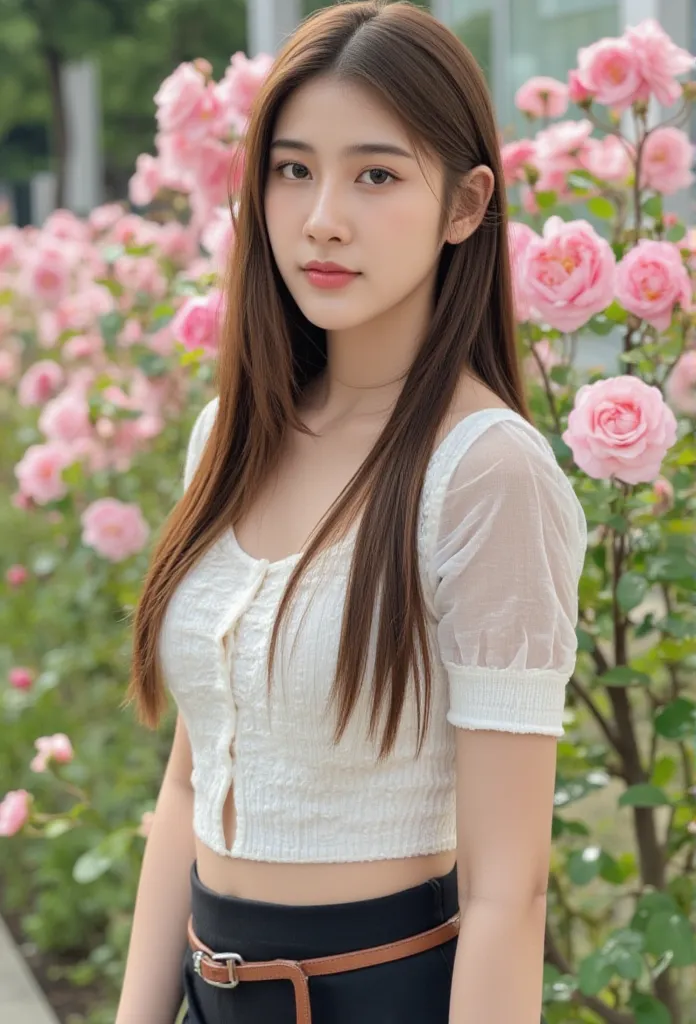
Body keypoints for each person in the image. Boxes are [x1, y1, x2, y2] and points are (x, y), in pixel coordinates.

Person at [115, 2, 587, 1022]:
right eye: (293, 169)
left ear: (465, 205)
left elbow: (512, 891)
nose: (323, 215)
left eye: (375, 174)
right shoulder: (229, 437)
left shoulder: (483, 472)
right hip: (208, 991)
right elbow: (190, 788)